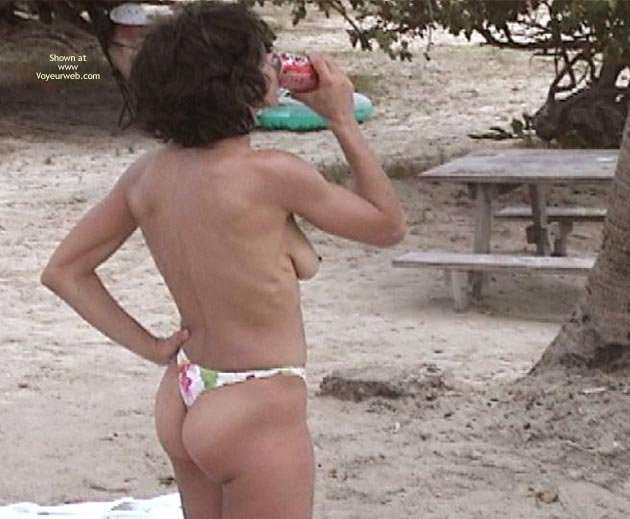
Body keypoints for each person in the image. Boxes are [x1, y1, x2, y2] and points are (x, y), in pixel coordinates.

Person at [40, 2, 406, 518]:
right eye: (266, 59)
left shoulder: (148, 175)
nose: (277, 64)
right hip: (256, 397)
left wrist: (151, 347)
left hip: (185, 387)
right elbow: (388, 226)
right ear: (241, 84)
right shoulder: (272, 174)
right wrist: (343, 121)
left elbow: (64, 271)